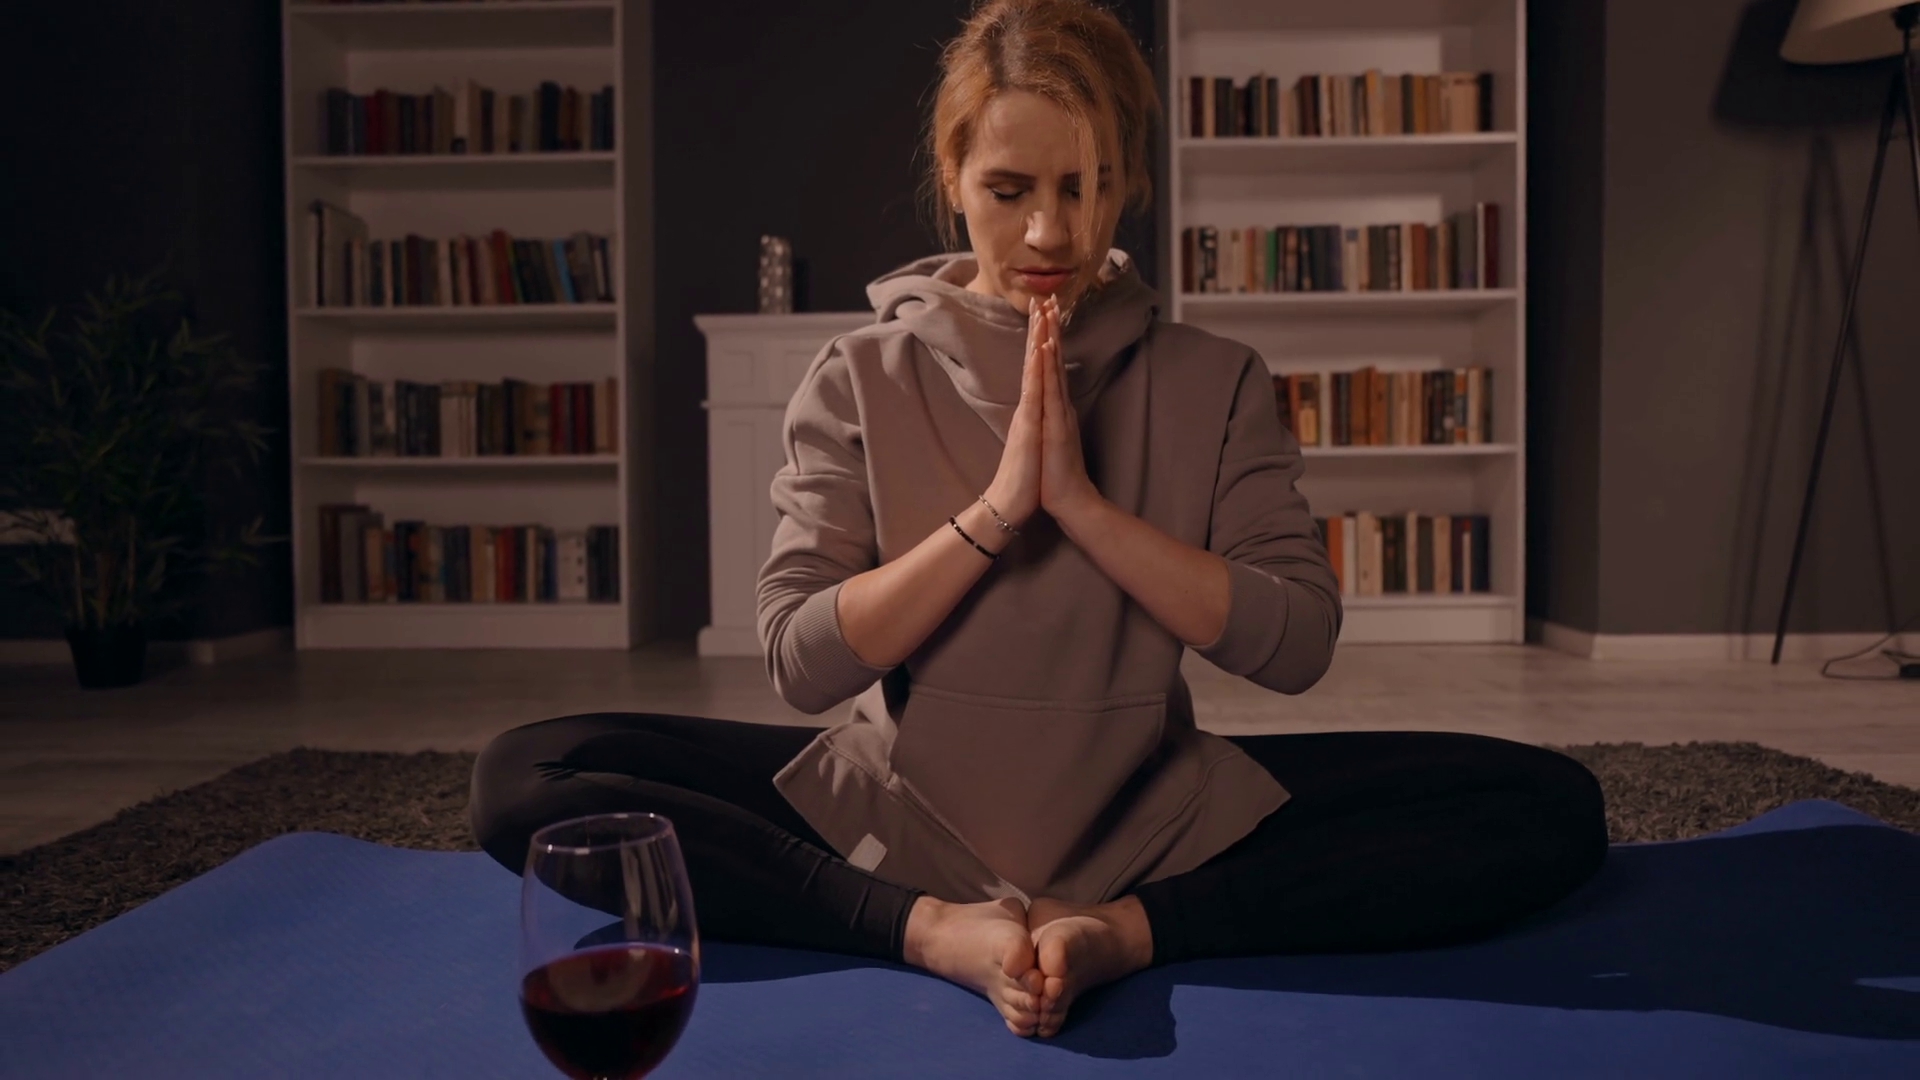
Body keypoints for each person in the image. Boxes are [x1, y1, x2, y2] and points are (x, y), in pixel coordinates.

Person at [470, 0, 1608, 1040]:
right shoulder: (859, 374)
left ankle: (1124, 931)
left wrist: (1085, 509)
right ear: (954, 175)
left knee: (1544, 804)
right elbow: (800, 664)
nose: (1053, 233)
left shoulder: (1216, 379)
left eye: (1085, 186)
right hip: (898, 818)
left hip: (1146, 825)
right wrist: (997, 513)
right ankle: (925, 929)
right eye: (1011, 190)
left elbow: (1298, 645)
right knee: (532, 775)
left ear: (1126, 184)